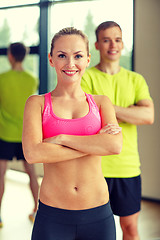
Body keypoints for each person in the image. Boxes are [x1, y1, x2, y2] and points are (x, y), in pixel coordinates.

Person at [22, 27, 123, 240]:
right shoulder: (37, 104)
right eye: (62, 56)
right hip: (52, 216)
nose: (70, 64)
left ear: (87, 59)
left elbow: (114, 146)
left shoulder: (101, 102)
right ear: (51, 59)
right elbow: (33, 154)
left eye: (78, 56)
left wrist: (62, 139)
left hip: (98, 214)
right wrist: (95, 144)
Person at [81, 21, 154, 240]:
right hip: (94, 167)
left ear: (122, 44)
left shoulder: (135, 80)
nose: (113, 45)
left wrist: (107, 108)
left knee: (130, 228)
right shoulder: (86, 78)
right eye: (106, 40)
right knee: (93, 231)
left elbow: (148, 116)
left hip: (127, 167)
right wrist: (131, 111)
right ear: (96, 44)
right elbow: (87, 119)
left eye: (117, 39)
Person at [0, 42, 39, 227]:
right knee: (31, 173)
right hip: (25, 134)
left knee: (0, 174)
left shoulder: (2, 78)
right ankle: (37, 211)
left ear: (10, 56)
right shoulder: (32, 79)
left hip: (5, 133)